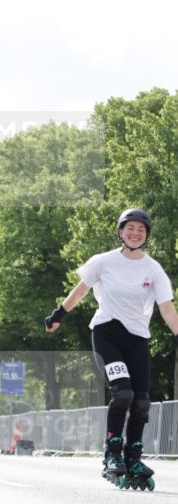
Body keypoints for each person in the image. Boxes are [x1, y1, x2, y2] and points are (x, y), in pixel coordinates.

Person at [45, 208, 178, 489]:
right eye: (130, 228)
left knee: (142, 402)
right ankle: (112, 453)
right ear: (120, 232)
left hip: (137, 338)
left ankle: (134, 457)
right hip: (106, 333)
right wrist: (59, 315)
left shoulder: (154, 269)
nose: (135, 233)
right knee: (123, 393)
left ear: (147, 235)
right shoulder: (103, 261)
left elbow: (167, 309)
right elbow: (81, 290)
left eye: (141, 229)